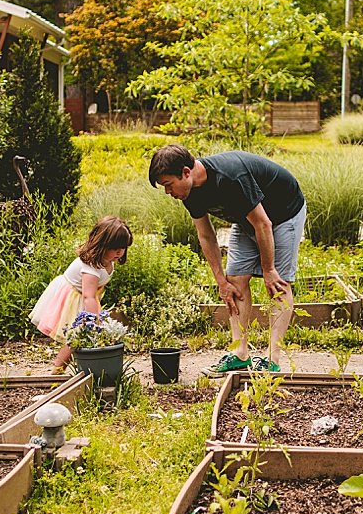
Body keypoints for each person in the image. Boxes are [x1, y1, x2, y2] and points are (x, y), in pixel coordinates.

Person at [148, 144, 306, 374]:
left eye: (168, 185)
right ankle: (240, 354)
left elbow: (263, 224)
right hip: (246, 217)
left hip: (283, 214)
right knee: (234, 281)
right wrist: (221, 281)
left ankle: (273, 359)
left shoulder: (231, 178)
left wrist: (269, 269)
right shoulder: (189, 192)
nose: (168, 192)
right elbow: (206, 235)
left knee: (278, 284)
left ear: (185, 172)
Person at [30, 215, 132, 372]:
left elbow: (97, 290)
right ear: (101, 245)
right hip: (71, 297)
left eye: (122, 247)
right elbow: (88, 296)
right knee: (76, 338)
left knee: (79, 338)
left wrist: (98, 309)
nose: (119, 252)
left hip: (86, 297)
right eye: (114, 248)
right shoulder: (91, 266)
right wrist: (94, 322)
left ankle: (81, 368)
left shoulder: (108, 261)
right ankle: (57, 371)